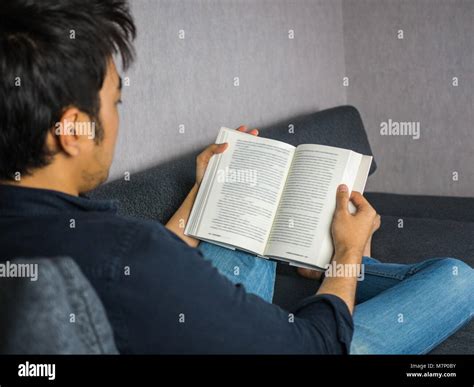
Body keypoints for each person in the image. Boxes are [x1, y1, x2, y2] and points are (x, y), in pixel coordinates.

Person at [0, 0, 472, 354]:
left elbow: (131, 278)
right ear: (70, 131)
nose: (118, 117)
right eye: (115, 101)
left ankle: (310, 267)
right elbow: (316, 347)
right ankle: (328, 272)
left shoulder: (55, 233)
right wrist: (347, 253)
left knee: (242, 211)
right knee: (457, 279)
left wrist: (204, 194)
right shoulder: (126, 253)